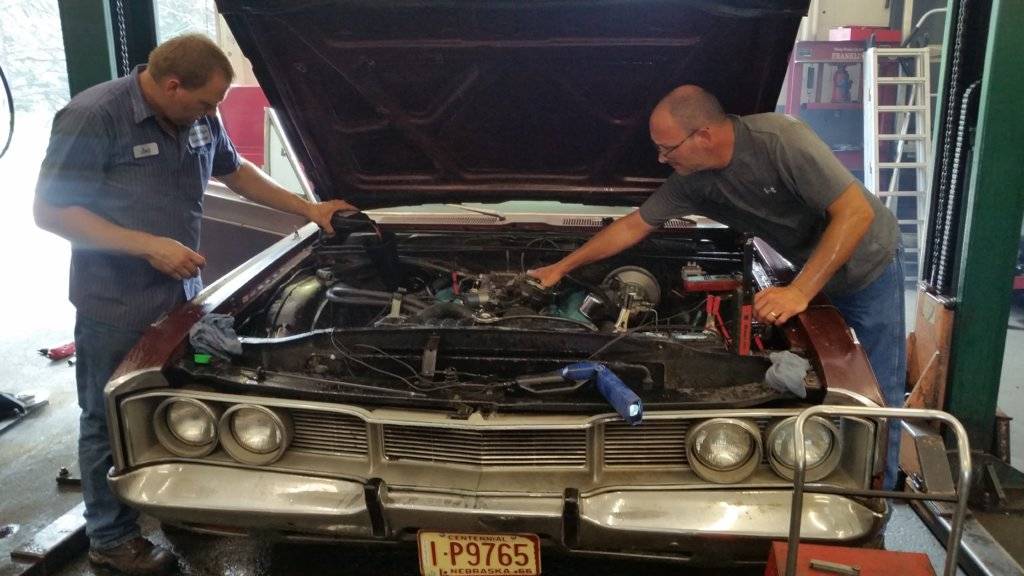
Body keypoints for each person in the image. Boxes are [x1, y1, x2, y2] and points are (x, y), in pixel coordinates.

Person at [33, 34, 354, 575]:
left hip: (184, 296)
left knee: (183, 401)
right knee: (109, 417)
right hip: (115, 301)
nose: (211, 113)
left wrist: (308, 208)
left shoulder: (198, 115)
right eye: (205, 103)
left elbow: (235, 170)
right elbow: (51, 212)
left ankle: (176, 501)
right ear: (171, 85)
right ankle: (111, 539)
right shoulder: (93, 116)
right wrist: (147, 246)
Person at [529, 85, 905, 488]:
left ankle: (878, 497)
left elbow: (855, 212)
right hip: (808, 267)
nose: (661, 159)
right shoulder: (693, 181)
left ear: (704, 135)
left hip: (867, 267)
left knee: (873, 394)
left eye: (667, 148)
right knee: (833, 386)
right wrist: (560, 268)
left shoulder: (781, 140)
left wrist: (799, 291)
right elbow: (634, 225)